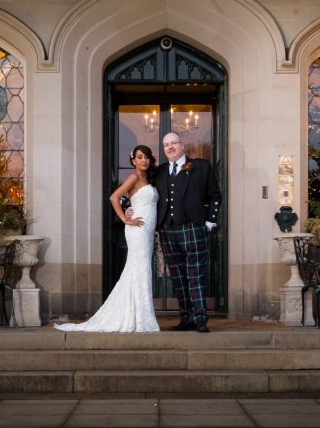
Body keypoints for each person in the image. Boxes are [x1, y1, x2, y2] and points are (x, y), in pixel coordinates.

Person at [54, 145, 160, 333]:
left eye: (146, 157)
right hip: (137, 230)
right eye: (139, 157)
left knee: (139, 270)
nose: (143, 160)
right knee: (139, 269)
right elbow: (114, 197)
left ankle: (139, 315)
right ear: (133, 160)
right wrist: (124, 218)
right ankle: (139, 318)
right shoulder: (134, 177)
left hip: (147, 232)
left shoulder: (148, 178)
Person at [140, 131, 221, 333]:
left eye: (174, 143)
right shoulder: (159, 171)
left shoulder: (201, 166)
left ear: (182, 145)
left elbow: (215, 195)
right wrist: (130, 208)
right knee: (178, 277)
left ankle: (200, 318)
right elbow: (142, 191)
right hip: (167, 230)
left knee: (195, 274)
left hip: (193, 227)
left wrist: (210, 221)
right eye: (166, 144)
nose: (170, 147)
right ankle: (187, 318)